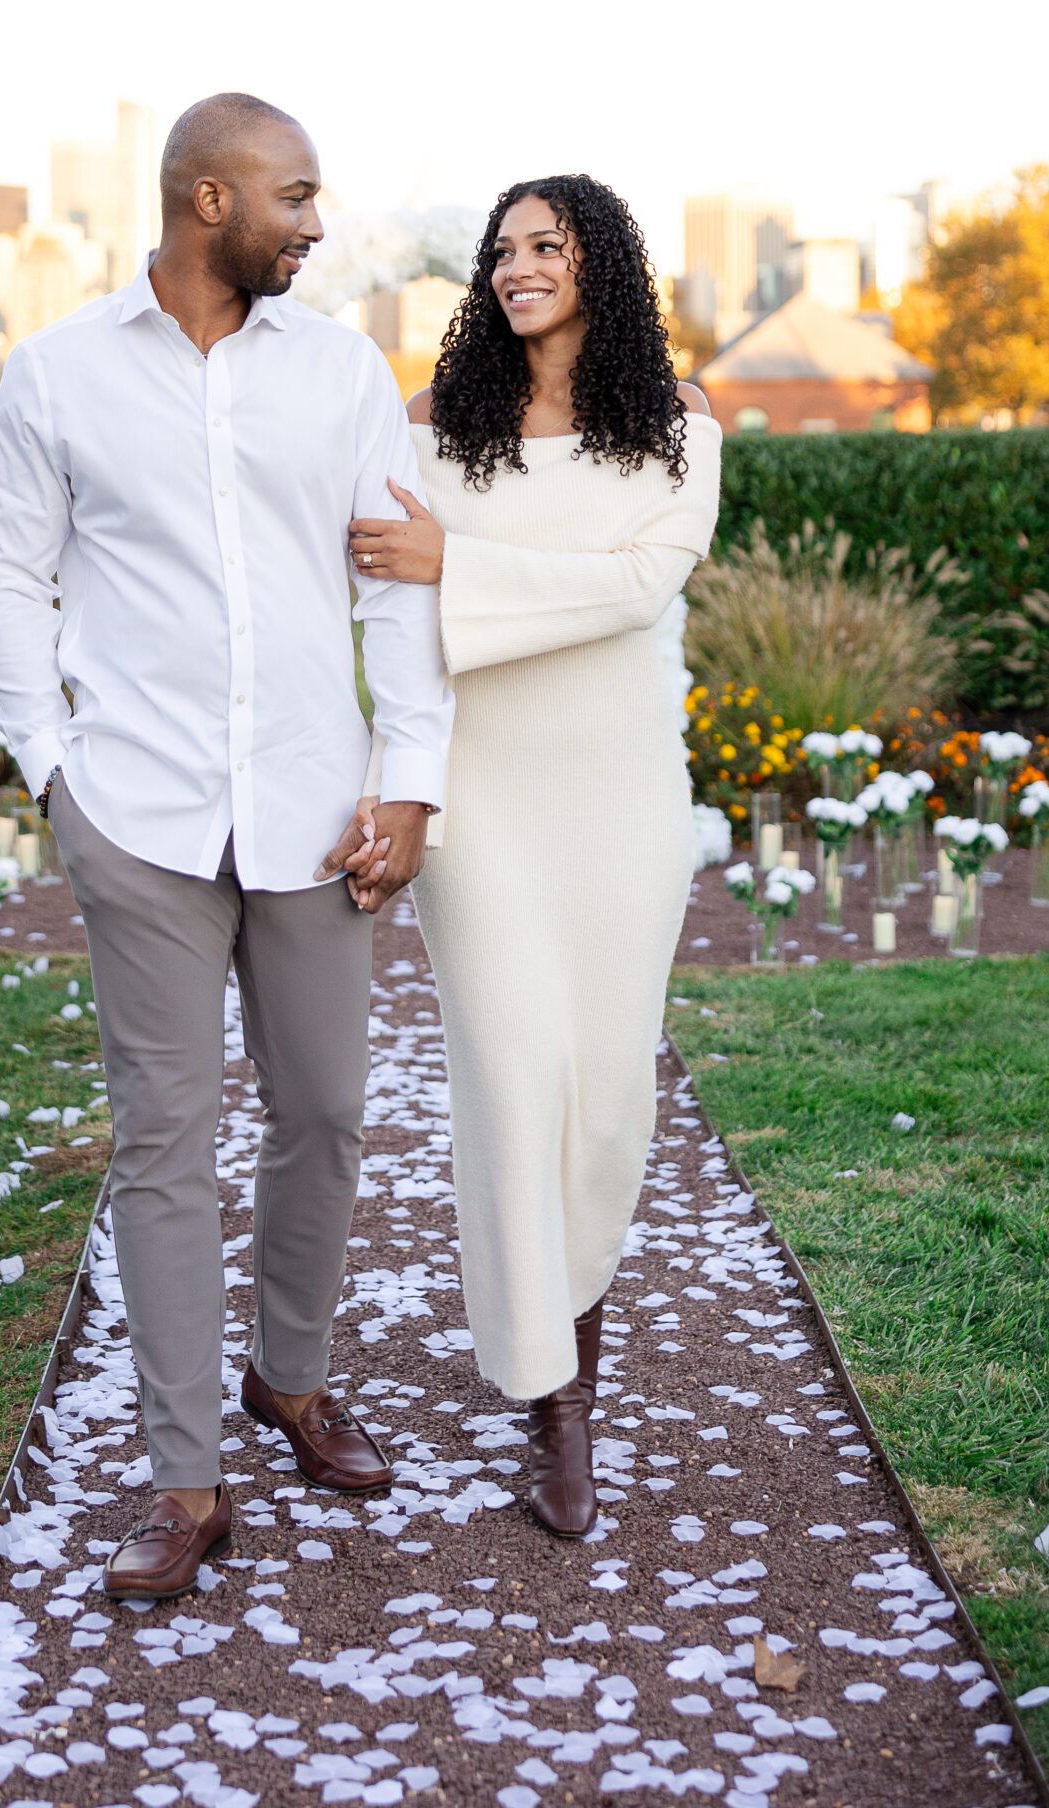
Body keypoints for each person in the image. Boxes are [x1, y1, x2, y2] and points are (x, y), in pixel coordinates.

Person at [0, 93, 453, 1597]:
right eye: (293, 196)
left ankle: (289, 1379)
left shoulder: (346, 372)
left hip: (315, 814)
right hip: (142, 819)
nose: (316, 223)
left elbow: (393, 587)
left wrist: (413, 785)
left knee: (326, 1114)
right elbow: (6, 572)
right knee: (165, 1149)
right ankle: (186, 1483)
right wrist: (58, 774)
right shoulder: (57, 375)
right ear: (203, 200)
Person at [344, 174, 721, 1537]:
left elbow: (639, 588)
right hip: (481, 803)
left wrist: (462, 567)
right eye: (503, 249)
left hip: (623, 802)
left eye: (547, 246)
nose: (518, 267)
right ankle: (556, 1400)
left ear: (603, 266)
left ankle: (571, 1334)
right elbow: (385, 586)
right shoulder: (433, 429)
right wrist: (402, 774)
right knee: (514, 1080)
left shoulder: (682, 436)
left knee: (608, 1098)